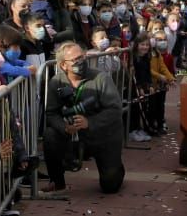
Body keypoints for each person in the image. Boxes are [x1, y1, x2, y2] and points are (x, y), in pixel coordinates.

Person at [43, 42, 125, 197]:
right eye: (75, 59)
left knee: (110, 186)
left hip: (103, 135)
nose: (80, 61)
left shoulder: (101, 78)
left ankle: (116, 167)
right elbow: (51, 113)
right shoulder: (56, 82)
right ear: (63, 65)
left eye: (82, 57)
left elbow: (115, 110)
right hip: (73, 136)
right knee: (50, 135)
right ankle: (57, 182)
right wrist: (64, 127)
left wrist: (90, 122)